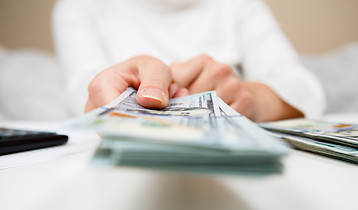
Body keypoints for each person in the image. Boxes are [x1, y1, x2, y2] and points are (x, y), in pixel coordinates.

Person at [52, 0, 326, 122]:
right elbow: (80, 88)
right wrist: (108, 92)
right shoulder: (79, 6)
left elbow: (307, 90)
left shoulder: (240, 5)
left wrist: (248, 98)